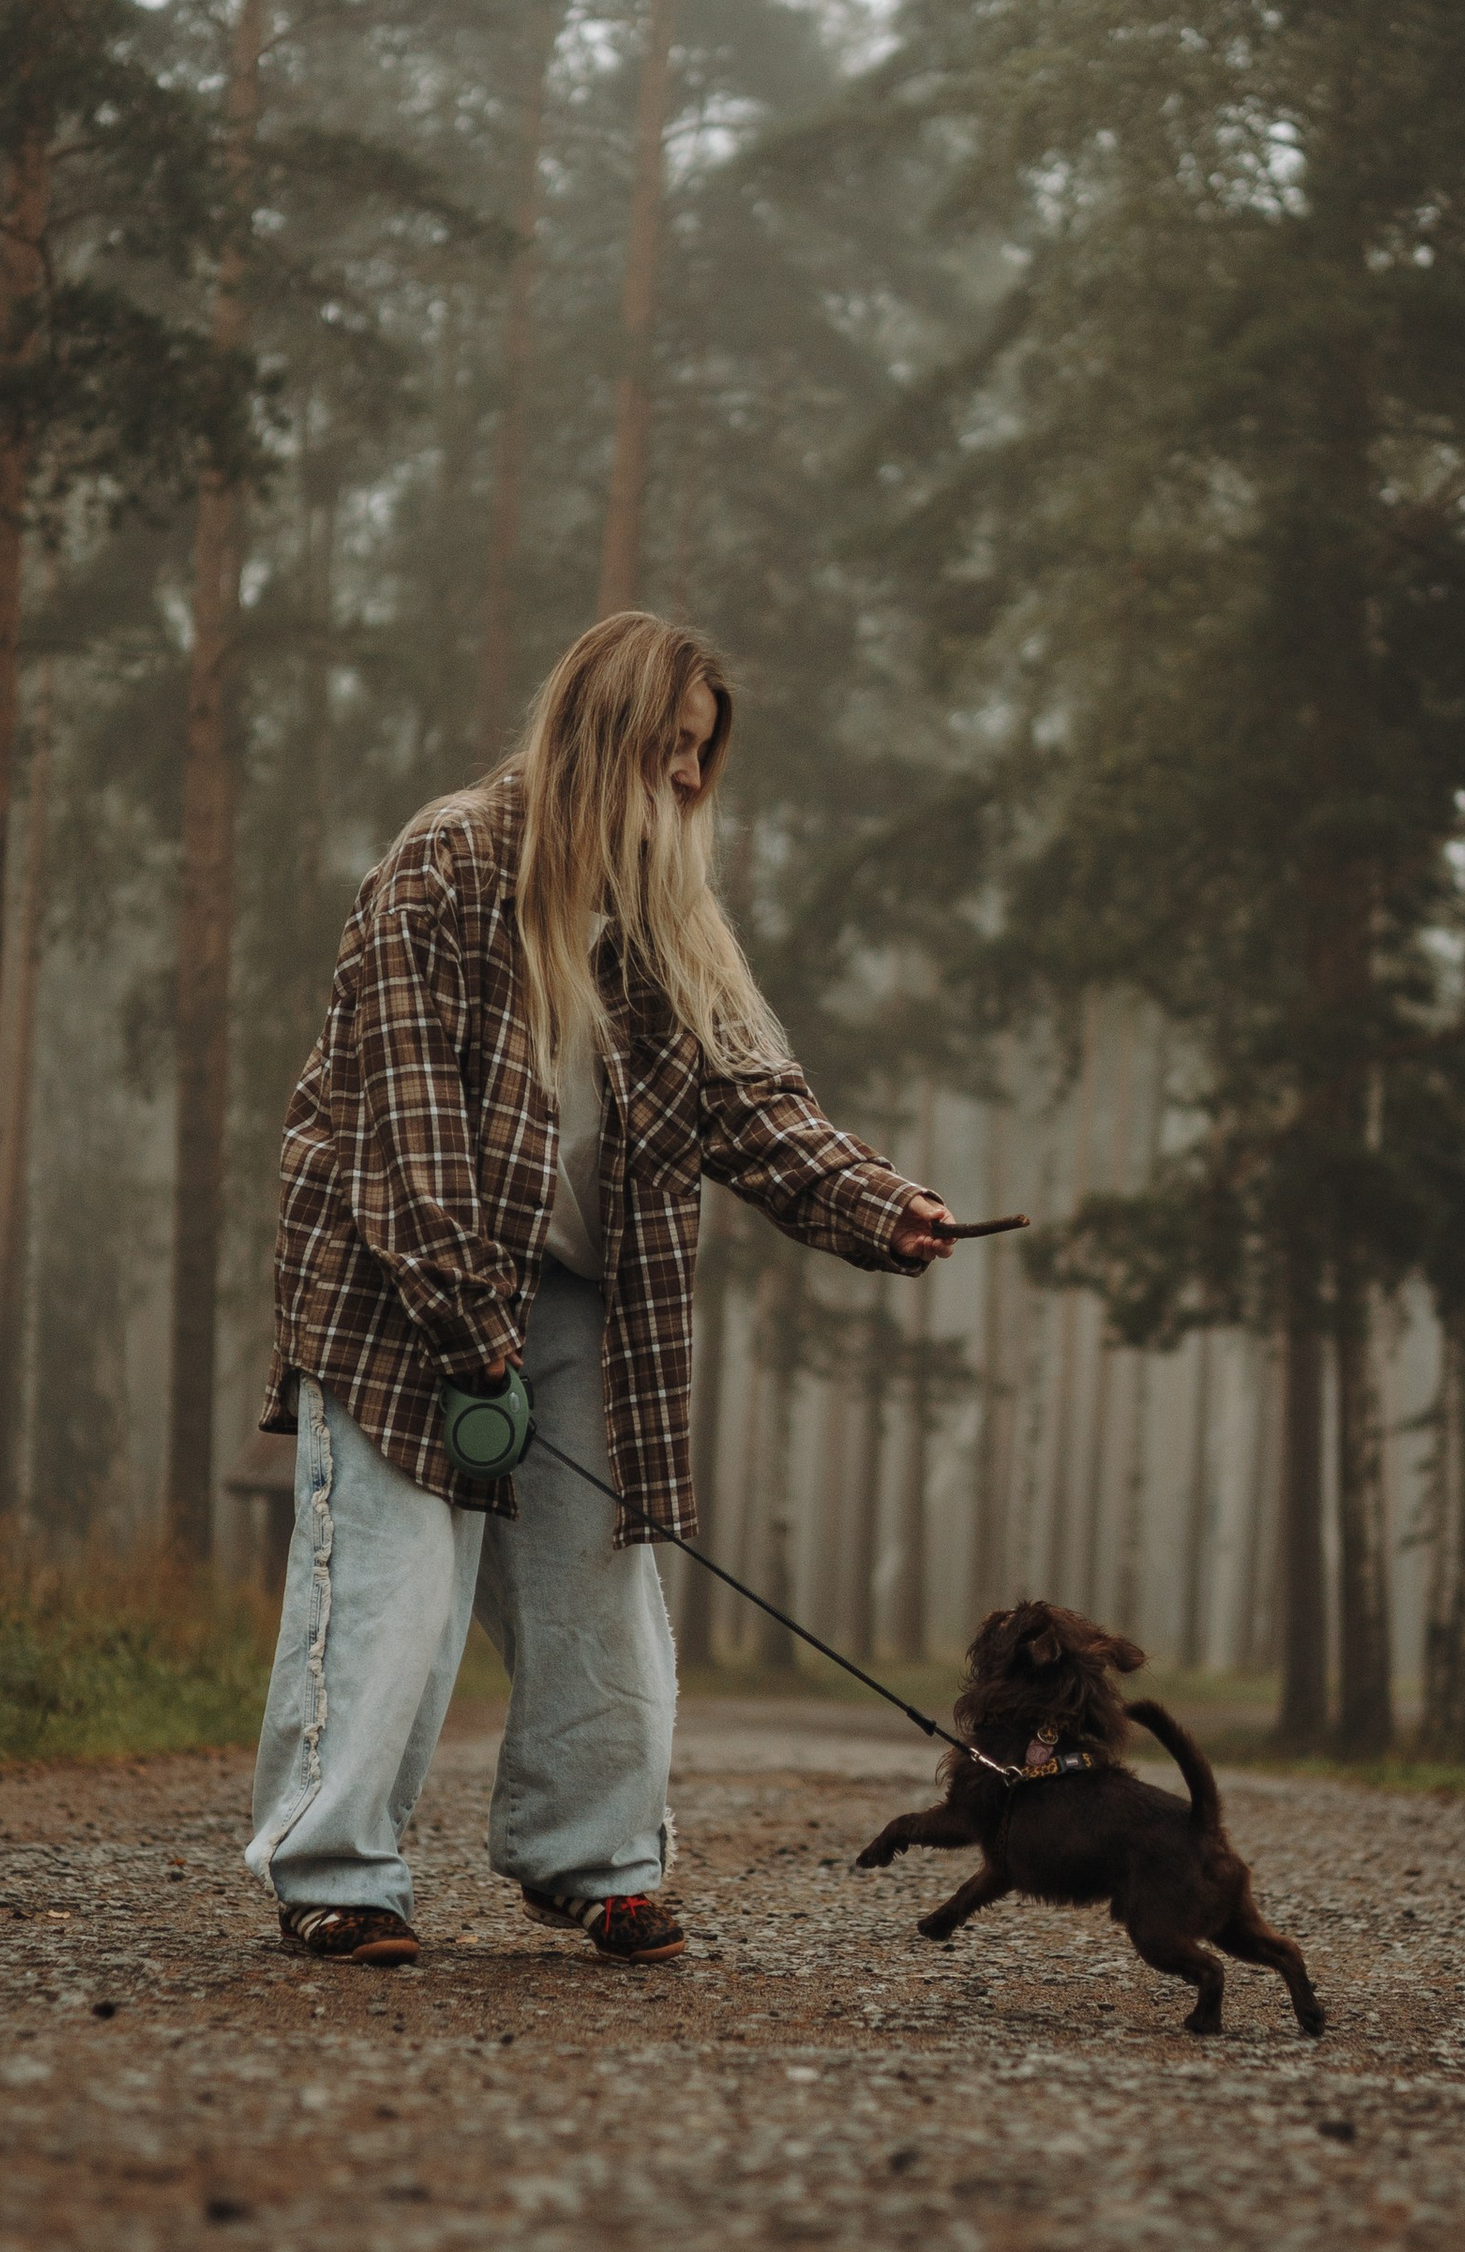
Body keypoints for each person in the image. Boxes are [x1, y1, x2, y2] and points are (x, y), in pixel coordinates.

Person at [243, 611, 954, 1966]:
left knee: (601, 1587)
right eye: (673, 748)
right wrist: (468, 1331)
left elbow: (753, 1103)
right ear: (601, 731)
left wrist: (878, 1203)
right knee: (393, 1592)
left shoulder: (658, 916)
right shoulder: (443, 865)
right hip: (399, 1282)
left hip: (577, 1301)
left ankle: (596, 1862)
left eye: (704, 757)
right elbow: (404, 1127)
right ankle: (335, 1873)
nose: (693, 780)